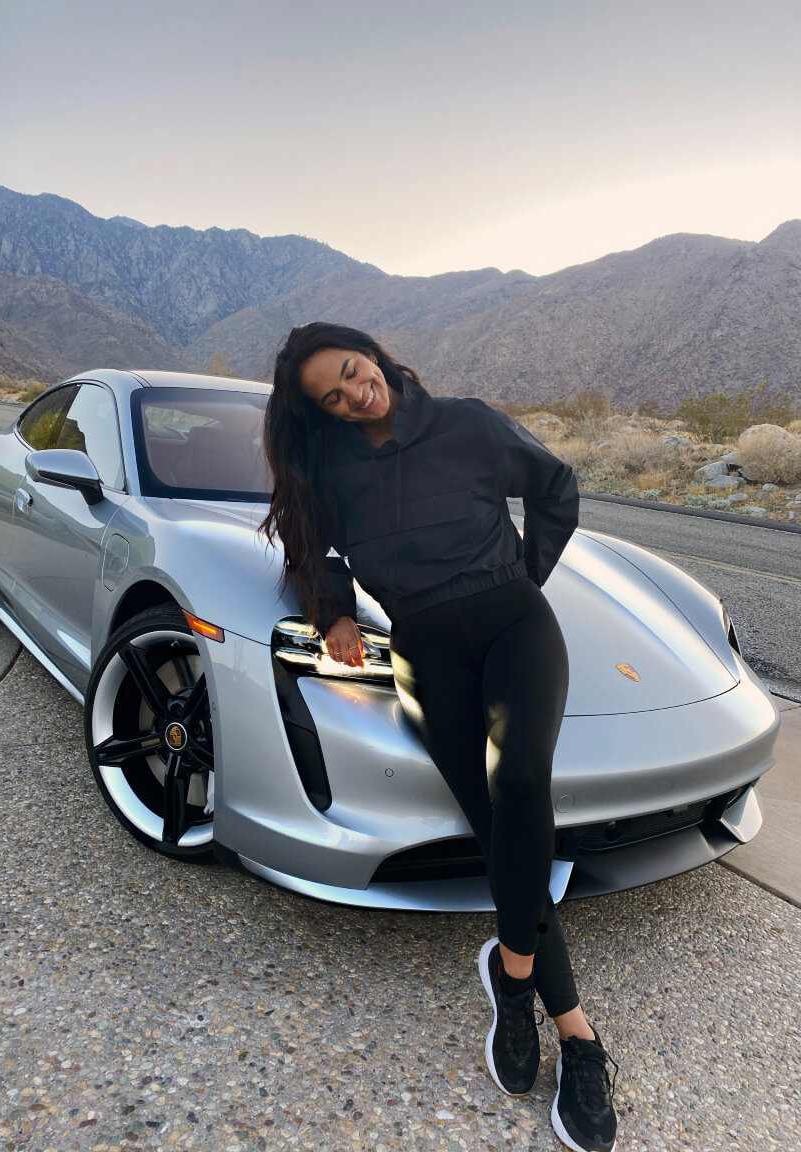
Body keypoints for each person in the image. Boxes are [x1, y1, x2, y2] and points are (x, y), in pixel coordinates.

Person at [258, 322, 620, 1152]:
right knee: (501, 832)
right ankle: (577, 1034)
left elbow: (556, 485)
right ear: (323, 412)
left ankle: (514, 975)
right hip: (425, 648)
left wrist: (522, 580)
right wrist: (337, 609)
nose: (354, 394)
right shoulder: (332, 468)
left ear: (374, 355)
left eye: (353, 372)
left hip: (515, 624)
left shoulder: (468, 423)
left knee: (523, 783)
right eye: (332, 396)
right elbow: (311, 550)